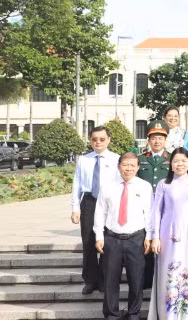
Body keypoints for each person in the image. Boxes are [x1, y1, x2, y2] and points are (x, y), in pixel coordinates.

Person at [148, 147, 188, 320]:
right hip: (168, 235)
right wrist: (155, 237)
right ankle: (168, 314)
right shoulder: (164, 184)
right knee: (169, 272)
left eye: (183, 161)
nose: (180, 164)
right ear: (171, 164)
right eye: (176, 161)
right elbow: (156, 212)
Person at [94, 152, 152, 320]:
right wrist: (99, 236)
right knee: (110, 280)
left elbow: (149, 213)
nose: (129, 169)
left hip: (136, 239)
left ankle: (133, 314)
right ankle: (111, 314)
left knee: (136, 280)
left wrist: (149, 236)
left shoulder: (144, 186)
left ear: (138, 167)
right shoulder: (108, 185)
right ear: (119, 166)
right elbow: (100, 212)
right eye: (125, 165)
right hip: (112, 238)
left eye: (133, 165)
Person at [71, 125, 121, 294]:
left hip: (109, 203)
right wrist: (75, 208)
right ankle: (90, 280)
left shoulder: (116, 159)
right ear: (90, 140)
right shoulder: (84, 159)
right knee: (89, 242)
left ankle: (105, 279)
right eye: (94, 139)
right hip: (89, 202)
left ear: (108, 140)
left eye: (102, 139)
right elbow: (76, 184)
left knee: (108, 241)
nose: (98, 142)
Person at [136, 119, 171, 289]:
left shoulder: (173, 159)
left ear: (165, 140)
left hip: (166, 209)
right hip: (144, 209)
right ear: (148, 140)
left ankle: (165, 279)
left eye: (160, 138)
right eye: (153, 138)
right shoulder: (140, 159)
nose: (157, 141)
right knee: (146, 244)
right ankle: (147, 281)